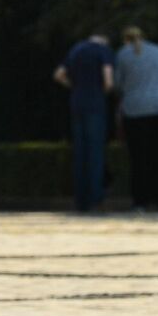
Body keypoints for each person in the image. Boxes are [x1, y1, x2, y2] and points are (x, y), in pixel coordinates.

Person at [114, 24, 158, 212]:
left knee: (139, 158)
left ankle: (140, 202)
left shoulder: (123, 55)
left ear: (125, 39)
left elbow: (117, 84)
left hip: (136, 109)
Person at [53, 25, 115, 213]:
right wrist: (103, 92)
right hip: (95, 104)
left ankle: (81, 200)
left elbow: (58, 75)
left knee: (80, 153)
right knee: (95, 153)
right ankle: (96, 199)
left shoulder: (76, 49)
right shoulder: (103, 50)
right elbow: (109, 80)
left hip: (77, 103)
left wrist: (74, 86)